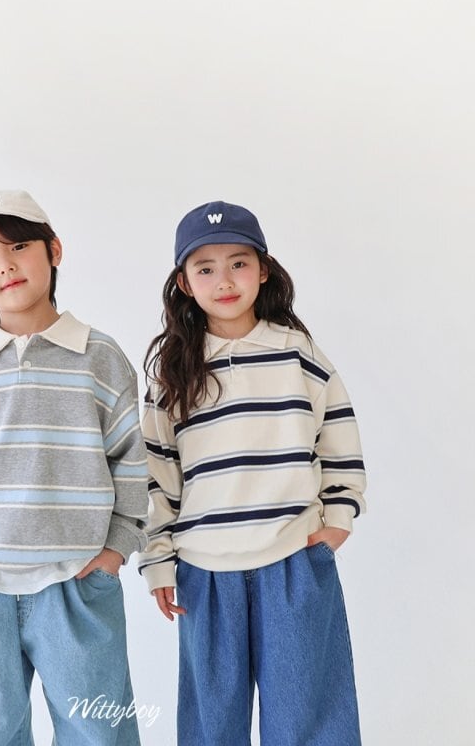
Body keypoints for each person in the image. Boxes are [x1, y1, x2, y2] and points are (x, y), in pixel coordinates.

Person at [0, 190, 148, 746]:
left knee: (98, 734)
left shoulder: (100, 357)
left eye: (18, 246)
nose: (5, 266)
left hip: (78, 584)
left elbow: (130, 460)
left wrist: (115, 550)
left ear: (53, 250)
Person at [138, 201, 366, 745]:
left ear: (263, 270)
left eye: (238, 263)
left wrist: (337, 520)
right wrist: (158, 561)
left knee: (308, 717)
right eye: (205, 268)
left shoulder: (298, 354)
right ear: (184, 282)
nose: (224, 280)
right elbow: (157, 475)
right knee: (212, 725)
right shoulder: (173, 374)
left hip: (293, 561)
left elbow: (339, 439)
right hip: (204, 570)